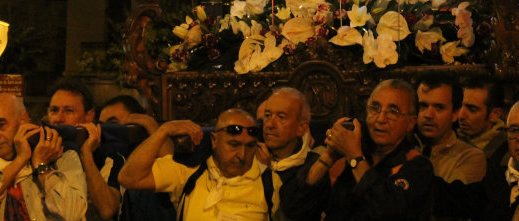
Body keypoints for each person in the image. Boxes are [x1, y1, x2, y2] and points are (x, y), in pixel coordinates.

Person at [305, 78, 435, 220]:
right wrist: (330, 154)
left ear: (410, 122)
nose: (381, 118)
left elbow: (385, 210)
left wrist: (354, 157)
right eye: (375, 108)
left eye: (393, 111)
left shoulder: (418, 167)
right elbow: (301, 203)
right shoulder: (356, 152)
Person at [119, 109, 270, 220]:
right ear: (214, 140)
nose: (242, 155)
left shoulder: (267, 179)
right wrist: (163, 131)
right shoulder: (190, 170)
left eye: (250, 146)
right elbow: (129, 178)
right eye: (234, 144)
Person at [0, 93, 87, 220]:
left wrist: (41, 165)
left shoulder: (60, 153)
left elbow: (73, 213)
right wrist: (20, 159)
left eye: (1, 125)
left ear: (23, 121)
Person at [48, 78, 123, 220]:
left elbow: (107, 209)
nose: (58, 118)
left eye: (68, 111)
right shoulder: (43, 150)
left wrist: (86, 154)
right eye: (54, 110)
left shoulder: (109, 156)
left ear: (89, 116)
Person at [99, 95, 176, 221]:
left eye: (113, 124)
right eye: (102, 125)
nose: (107, 132)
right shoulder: (101, 155)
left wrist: (150, 125)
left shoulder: (149, 157)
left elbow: (173, 166)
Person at [259, 87, 328, 220]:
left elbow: (293, 210)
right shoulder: (252, 155)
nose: (270, 124)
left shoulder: (313, 165)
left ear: (301, 128)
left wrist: (266, 171)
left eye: (281, 117)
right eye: (267, 116)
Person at [415, 72, 485, 184]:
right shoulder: (401, 146)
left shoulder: (469, 156)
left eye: (439, 107)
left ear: (455, 114)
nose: (428, 115)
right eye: (423, 106)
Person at [457, 80, 508, 173]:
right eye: (460, 106)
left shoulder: (506, 155)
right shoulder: (450, 140)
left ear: (494, 114)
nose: (461, 115)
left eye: (472, 109)